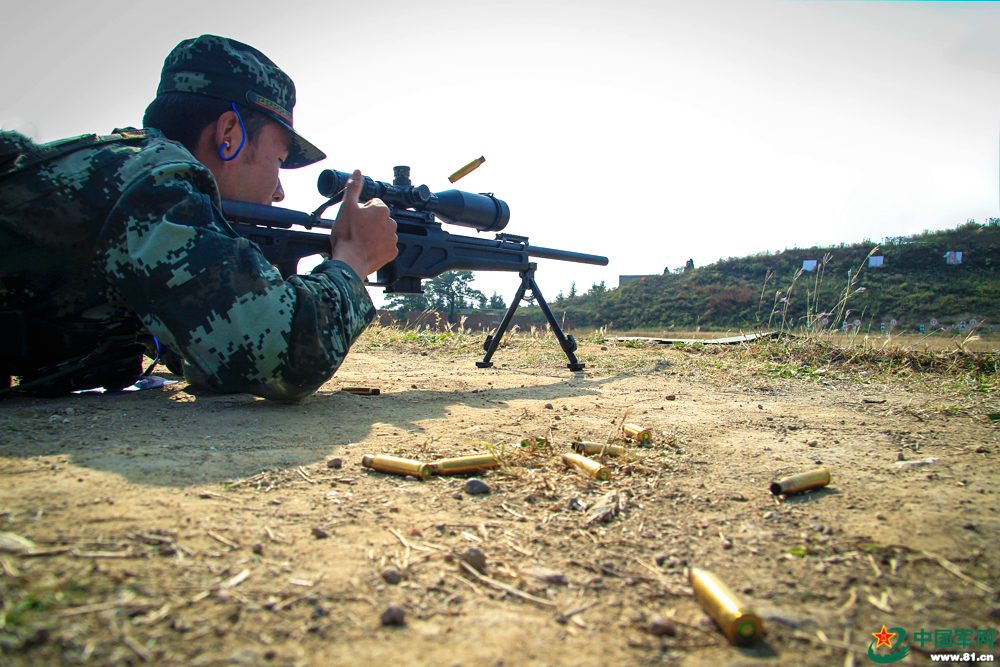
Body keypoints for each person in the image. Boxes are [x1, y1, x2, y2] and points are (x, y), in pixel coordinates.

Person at [0, 35, 397, 401]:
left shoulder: (126, 169)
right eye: (277, 161)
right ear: (229, 133)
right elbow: (279, 355)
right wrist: (353, 259)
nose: (279, 192)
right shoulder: (152, 181)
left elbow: (213, 352)